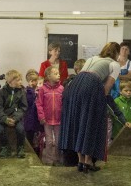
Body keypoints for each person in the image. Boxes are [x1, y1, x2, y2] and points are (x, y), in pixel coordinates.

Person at [59, 42, 124, 173]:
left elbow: (83, 75)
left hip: (74, 86)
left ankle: (80, 161)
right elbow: (107, 88)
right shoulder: (114, 64)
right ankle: (88, 161)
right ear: (117, 53)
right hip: (91, 86)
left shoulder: (92, 58)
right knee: (91, 124)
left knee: (78, 122)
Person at [0, 69, 27, 159]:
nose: (21, 82)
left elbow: (23, 108)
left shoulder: (21, 92)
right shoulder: (1, 92)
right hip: (3, 117)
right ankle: (5, 147)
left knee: (21, 129)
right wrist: (5, 119)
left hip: (14, 117)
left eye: (21, 79)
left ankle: (20, 147)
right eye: (18, 80)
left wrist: (15, 118)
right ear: (10, 81)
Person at [36, 65, 65, 166]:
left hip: (58, 120)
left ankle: (57, 159)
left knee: (58, 141)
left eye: (58, 74)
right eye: (56, 74)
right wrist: (41, 117)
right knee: (48, 141)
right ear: (48, 76)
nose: (58, 75)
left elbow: (64, 104)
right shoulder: (42, 89)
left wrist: (63, 117)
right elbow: (39, 104)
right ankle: (48, 160)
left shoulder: (62, 89)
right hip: (47, 120)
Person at [23, 69, 43, 156]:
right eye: (33, 81)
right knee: (29, 138)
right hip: (29, 120)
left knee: (38, 139)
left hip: (38, 119)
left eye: (36, 80)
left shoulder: (40, 91)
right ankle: (29, 155)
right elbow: (28, 103)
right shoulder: (26, 92)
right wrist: (33, 92)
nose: (35, 82)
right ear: (29, 81)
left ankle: (38, 155)